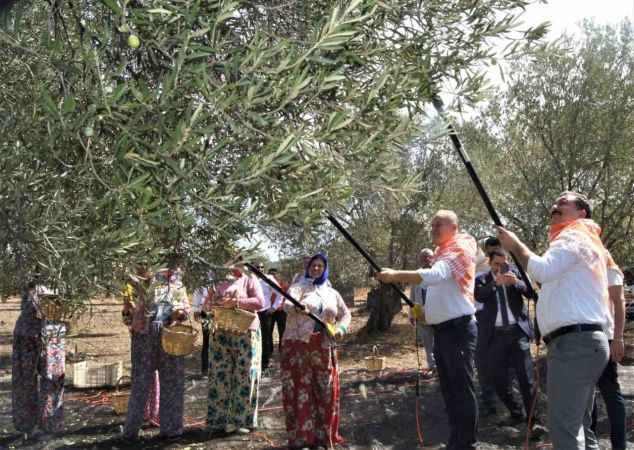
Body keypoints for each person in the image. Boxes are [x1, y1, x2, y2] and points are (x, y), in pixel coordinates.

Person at [497, 191, 612, 450]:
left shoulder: (573, 234)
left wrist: (515, 245)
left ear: (581, 212)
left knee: (564, 430)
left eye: (564, 202)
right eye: (555, 202)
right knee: (579, 424)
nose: (555, 205)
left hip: (574, 345)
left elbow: (543, 269)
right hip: (585, 344)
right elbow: (550, 279)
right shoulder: (586, 241)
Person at [377, 210, 478, 450]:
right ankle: (457, 441)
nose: (433, 228)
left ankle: (467, 444)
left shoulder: (459, 248)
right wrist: (425, 312)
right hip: (442, 331)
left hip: (459, 331)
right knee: (450, 391)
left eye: (438, 224)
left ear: (454, 228)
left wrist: (396, 275)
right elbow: (441, 288)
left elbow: (435, 276)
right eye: (431, 225)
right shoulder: (442, 254)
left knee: (462, 391)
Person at [281, 252, 351, 449]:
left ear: (325, 268)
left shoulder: (332, 292)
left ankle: (323, 436)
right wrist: (297, 308)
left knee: (324, 390)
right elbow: (286, 305)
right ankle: (303, 438)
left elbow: (346, 314)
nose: (316, 268)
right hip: (298, 346)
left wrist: (341, 329)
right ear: (308, 267)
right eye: (313, 265)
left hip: (323, 346)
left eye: (320, 265)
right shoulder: (299, 287)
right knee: (300, 389)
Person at [121, 265, 191, 441]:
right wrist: (129, 310)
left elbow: (185, 311)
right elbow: (127, 318)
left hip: (170, 339)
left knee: (173, 383)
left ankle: (172, 430)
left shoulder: (177, 283)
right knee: (140, 384)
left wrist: (179, 315)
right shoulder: (136, 284)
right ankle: (131, 431)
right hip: (144, 341)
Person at [474, 248, 535, 426]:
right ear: (489, 263)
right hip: (495, 337)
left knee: (526, 379)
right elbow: (480, 296)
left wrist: (516, 282)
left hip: (517, 333)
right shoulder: (482, 279)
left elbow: (531, 293)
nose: (500, 268)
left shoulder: (515, 275)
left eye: (504, 264)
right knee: (498, 381)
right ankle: (516, 412)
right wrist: (495, 282)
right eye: (496, 264)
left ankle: (533, 420)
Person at [206, 264, 264, 435]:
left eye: (238, 261)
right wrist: (213, 306)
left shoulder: (249, 279)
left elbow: (261, 302)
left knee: (246, 376)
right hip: (221, 333)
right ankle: (218, 421)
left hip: (247, 333)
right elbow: (206, 304)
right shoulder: (217, 280)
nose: (233, 265)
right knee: (219, 375)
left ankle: (241, 421)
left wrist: (236, 302)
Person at [12, 282, 66, 440]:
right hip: (33, 333)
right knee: (28, 380)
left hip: (49, 333)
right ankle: (31, 425)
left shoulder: (58, 277)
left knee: (52, 379)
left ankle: (45, 424)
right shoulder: (31, 276)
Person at [590, 256, 627, 450]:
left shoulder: (610, 268)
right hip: (585, 337)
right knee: (587, 393)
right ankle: (590, 442)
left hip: (606, 336)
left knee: (610, 391)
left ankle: (619, 445)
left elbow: (619, 302)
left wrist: (618, 338)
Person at [475, 236, 502, 417]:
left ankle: (502, 399)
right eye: (489, 249)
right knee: (482, 361)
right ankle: (489, 401)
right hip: (481, 317)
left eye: (495, 248)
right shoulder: (478, 265)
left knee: (501, 362)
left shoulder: (505, 266)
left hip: (501, 320)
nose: (492, 252)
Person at [409, 248, 436, 378]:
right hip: (422, 314)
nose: (426, 259)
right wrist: (411, 314)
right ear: (420, 259)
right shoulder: (417, 275)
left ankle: (442, 367)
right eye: (424, 257)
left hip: (439, 314)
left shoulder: (439, 273)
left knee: (441, 342)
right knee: (428, 343)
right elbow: (412, 297)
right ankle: (432, 367)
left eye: (429, 256)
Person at [192, 271, 215, 375]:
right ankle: (205, 369)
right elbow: (197, 296)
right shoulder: (202, 280)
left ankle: (215, 367)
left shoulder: (219, 278)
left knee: (217, 340)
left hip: (219, 312)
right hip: (205, 313)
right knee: (206, 340)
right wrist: (196, 310)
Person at [268, 268, 288, 353]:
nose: (273, 275)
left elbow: (288, 296)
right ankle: (269, 350)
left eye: (274, 273)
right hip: (269, 311)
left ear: (278, 275)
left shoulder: (284, 284)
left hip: (281, 311)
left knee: (282, 331)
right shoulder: (266, 284)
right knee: (269, 331)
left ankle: (282, 349)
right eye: (270, 274)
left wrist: (283, 306)